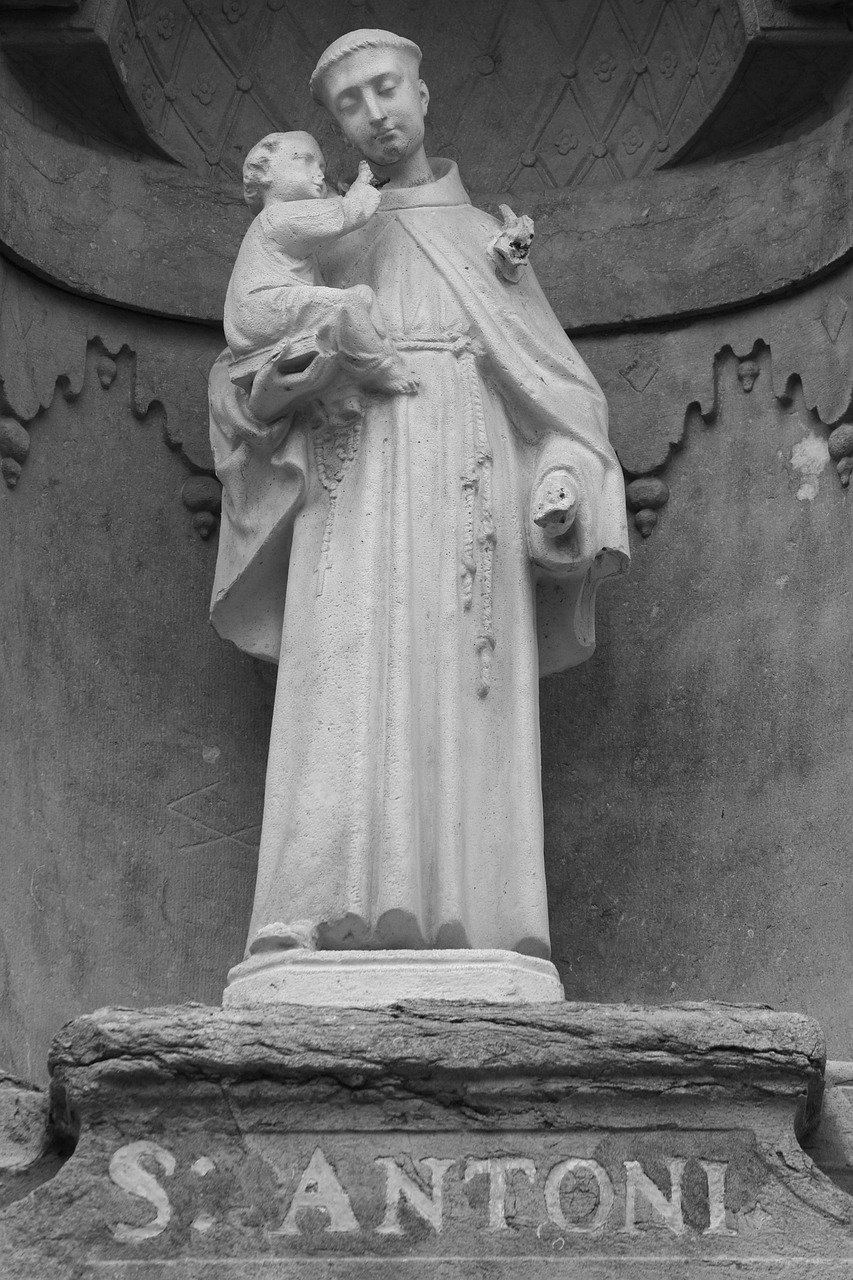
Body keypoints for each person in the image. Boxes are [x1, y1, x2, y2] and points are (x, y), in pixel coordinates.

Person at [209, 29, 630, 979]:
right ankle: (313, 910)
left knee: (461, 676)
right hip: (350, 476)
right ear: (333, 124)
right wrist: (289, 380)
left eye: (386, 88)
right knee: (343, 676)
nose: (374, 113)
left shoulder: (484, 237)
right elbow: (239, 388)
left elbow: (558, 394)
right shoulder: (320, 229)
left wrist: (562, 481)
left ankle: (476, 925)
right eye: (350, 103)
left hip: (467, 484)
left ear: (424, 91)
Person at [224, 130, 417, 414]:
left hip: (270, 310)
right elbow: (346, 214)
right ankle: (381, 368)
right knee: (346, 305)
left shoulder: (290, 231)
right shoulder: (277, 217)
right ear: (265, 173)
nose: (318, 174)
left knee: (360, 296)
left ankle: (358, 371)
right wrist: (363, 187)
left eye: (322, 167)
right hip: (260, 313)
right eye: (305, 161)